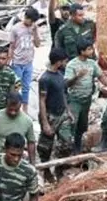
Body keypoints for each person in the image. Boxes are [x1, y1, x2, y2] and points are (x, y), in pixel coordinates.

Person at [38, 48, 73, 181]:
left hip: (62, 114)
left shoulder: (59, 75)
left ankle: (60, 169)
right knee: (46, 147)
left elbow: (63, 94)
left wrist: (68, 111)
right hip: (50, 115)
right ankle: (46, 171)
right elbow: (42, 101)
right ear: (58, 62)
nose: (66, 63)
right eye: (64, 61)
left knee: (66, 143)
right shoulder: (45, 79)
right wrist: (45, 123)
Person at [65, 39, 101, 154]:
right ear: (82, 51)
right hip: (75, 99)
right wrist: (77, 76)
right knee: (72, 123)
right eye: (89, 49)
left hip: (87, 100)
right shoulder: (72, 65)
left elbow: (100, 76)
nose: (92, 51)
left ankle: (78, 147)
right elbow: (66, 83)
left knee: (82, 125)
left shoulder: (92, 63)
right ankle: (67, 148)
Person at [0, 92, 36, 161]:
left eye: (16, 110)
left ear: (20, 106)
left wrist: (33, 162)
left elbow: (31, 142)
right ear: (6, 105)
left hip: (16, 158)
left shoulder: (27, 121)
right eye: (10, 109)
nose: (13, 112)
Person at [9, 8, 41, 112]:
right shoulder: (15, 29)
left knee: (26, 87)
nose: (31, 23)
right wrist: (10, 60)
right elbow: (11, 46)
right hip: (17, 63)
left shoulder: (33, 28)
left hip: (28, 62)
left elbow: (37, 44)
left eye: (33, 22)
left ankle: (25, 109)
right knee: (17, 87)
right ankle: (16, 107)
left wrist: (35, 31)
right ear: (25, 17)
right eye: (30, 20)